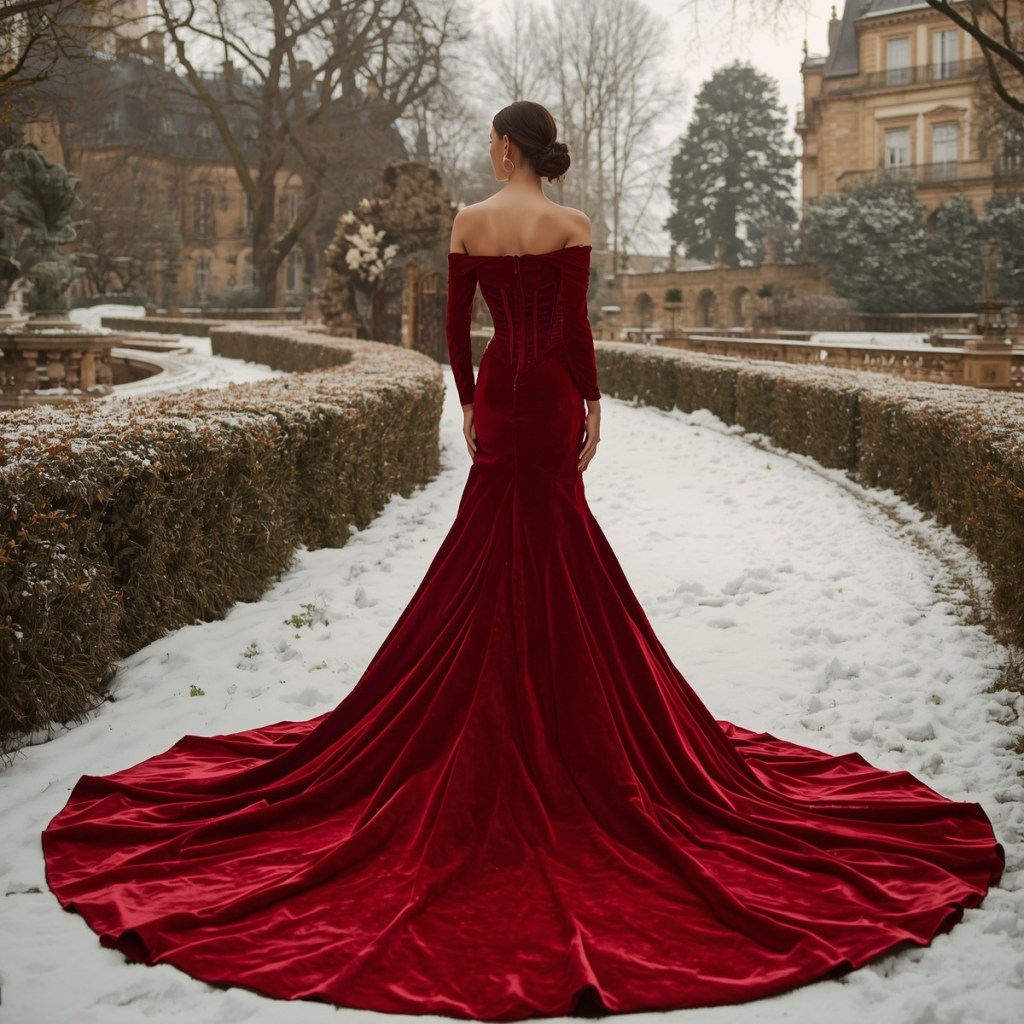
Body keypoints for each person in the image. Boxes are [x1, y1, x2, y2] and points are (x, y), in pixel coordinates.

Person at [43, 101, 1003, 1021]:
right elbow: (577, 327)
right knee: (557, 539)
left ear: (508, 147)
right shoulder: (572, 222)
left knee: (490, 542)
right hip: (546, 391)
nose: (490, 152)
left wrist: (465, 399)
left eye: (493, 142)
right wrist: (592, 401)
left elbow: (457, 332)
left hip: (502, 387)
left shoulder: (468, 220)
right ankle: (566, 704)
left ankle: (495, 692)